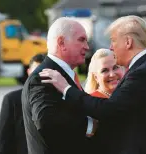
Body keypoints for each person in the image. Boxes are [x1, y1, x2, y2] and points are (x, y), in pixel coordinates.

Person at [39, 15, 146, 154]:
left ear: (128, 42)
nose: (111, 47)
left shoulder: (143, 71)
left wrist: (66, 88)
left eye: (113, 41)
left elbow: (109, 109)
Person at [21, 17, 95, 154]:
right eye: (81, 40)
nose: (87, 46)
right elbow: (46, 121)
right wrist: (89, 125)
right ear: (61, 43)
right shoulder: (43, 76)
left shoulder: (61, 74)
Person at [0, 54, 45, 154]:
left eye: (43, 71)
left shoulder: (60, 98)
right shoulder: (12, 100)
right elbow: (4, 140)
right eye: (36, 71)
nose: (40, 75)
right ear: (29, 72)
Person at [84, 48, 124, 154]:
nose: (112, 74)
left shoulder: (131, 97)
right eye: (104, 70)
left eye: (116, 67)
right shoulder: (90, 103)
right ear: (96, 77)